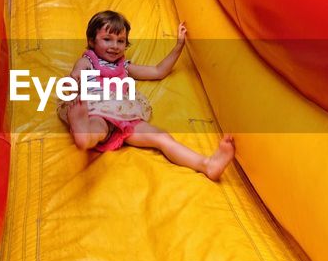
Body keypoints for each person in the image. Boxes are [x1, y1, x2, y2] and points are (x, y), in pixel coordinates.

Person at [57, 10, 236, 181]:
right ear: (91, 41)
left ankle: (207, 164)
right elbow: (78, 71)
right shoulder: (89, 61)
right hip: (96, 109)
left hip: (124, 116)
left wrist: (179, 45)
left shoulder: (125, 66)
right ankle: (84, 133)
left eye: (120, 41)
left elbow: (158, 71)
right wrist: (76, 77)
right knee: (98, 126)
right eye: (107, 39)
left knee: (161, 137)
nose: (114, 46)